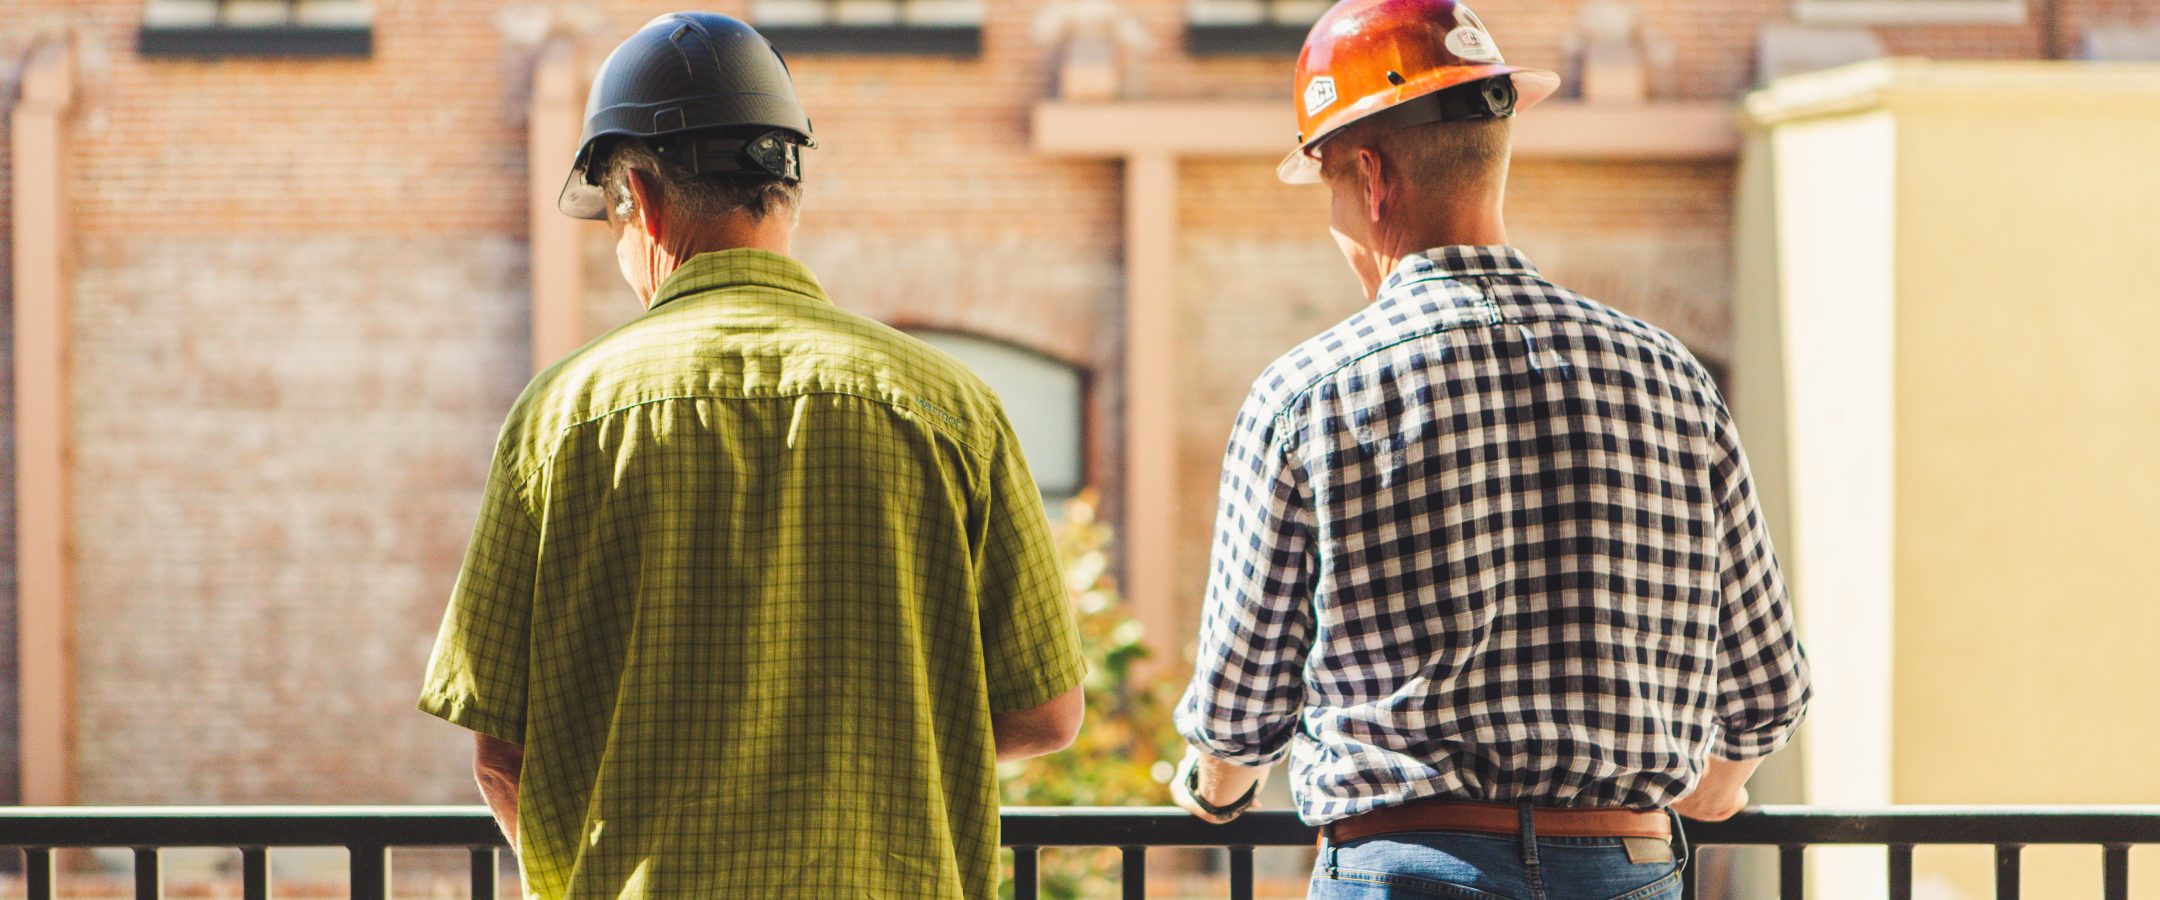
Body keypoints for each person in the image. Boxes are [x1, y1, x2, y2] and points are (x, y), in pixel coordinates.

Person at [416, 13, 1086, 898]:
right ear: (785, 196)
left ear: (640, 204)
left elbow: (501, 753)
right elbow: (1046, 712)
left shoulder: (561, 419)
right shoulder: (952, 409)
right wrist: (876, 750)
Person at [1165, 1, 1812, 897]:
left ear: (1371, 175)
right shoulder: (1670, 376)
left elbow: (1239, 713)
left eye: (1331, 193)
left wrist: (1213, 790)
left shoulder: (1308, 394)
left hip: (1407, 871)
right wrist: (1711, 786)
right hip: (1627, 868)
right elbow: (1767, 689)